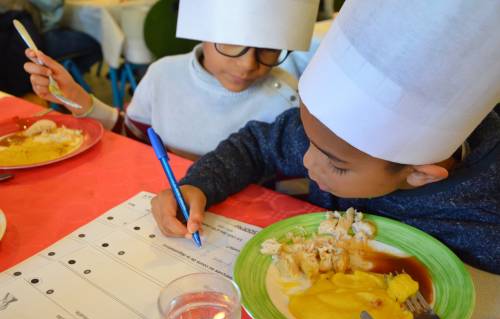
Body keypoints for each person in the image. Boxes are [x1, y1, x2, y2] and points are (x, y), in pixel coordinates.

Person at [151, 0, 500, 275]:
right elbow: (255, 145)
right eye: (308, 141)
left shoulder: (484, 209)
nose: (306, 161)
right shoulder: (330, 136)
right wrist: (200, 185)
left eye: (335, 164)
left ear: (419, 173)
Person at [23, 0, 320, 159]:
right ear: (202, 30)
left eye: (269, 49)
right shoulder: (163, 74)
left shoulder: (288, 98)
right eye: (231, 43)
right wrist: (78, 97)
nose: (247, 64)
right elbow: (135, 136)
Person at [0, 0, 101, 97]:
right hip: (32, 32)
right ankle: (62, 86)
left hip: (18, 33)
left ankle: (63, 84)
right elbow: (52, 6)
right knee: (95, 45)